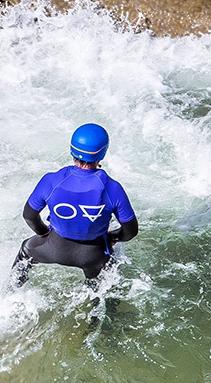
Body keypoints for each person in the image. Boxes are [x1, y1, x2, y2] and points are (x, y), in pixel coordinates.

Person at [11, 123, 138, 286]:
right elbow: (131, 232)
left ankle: (6, 300)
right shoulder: (112, 188)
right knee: (104, 286)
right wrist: (112, 237)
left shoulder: (51, 180)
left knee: (25, 251)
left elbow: (29, 216)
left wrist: (43, 232)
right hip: (93, 255)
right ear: (103, 152)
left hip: (51, 248)